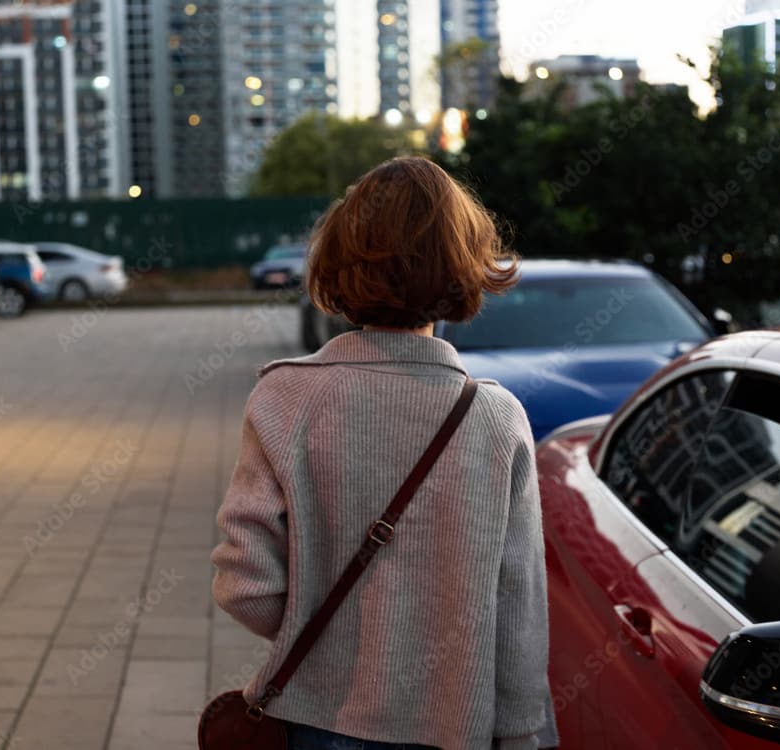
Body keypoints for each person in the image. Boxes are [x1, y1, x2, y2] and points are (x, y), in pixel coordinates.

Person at [211, 156, 558, 750]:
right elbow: (517, 606)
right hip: (456, 726)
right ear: (463, 263)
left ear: (338, 259)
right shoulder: (497, 421)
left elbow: (244, 584)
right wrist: (526, 735)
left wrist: (321, 644)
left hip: (316, 723)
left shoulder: (285, 397)